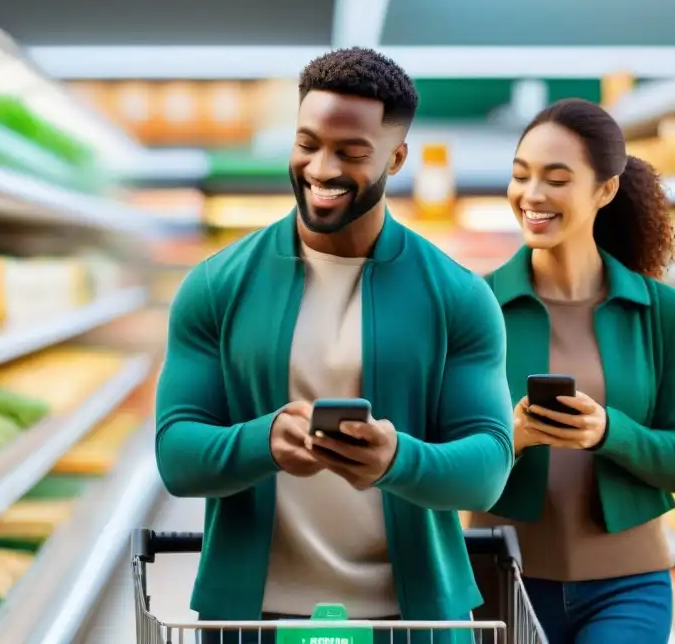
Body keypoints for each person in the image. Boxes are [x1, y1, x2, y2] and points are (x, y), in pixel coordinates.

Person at [155, 47, 514, 638]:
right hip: (254, 617)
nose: (321, 168)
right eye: (307, 143)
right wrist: (262, 440)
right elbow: (176, 454)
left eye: (350, 152)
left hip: (413, 620)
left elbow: (488, 466)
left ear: (396, 158)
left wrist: (398, 459)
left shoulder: (458, 297)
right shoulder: (216, 286)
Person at [467, 98, 675, 644]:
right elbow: (440, 455)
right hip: (499, 579)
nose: (532, 196)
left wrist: (607, 431)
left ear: (605, 189)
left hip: (629, 584)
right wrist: (515, 437)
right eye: (520, 176)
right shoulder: (474, 307)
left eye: (556, 179)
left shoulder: (662, 313)